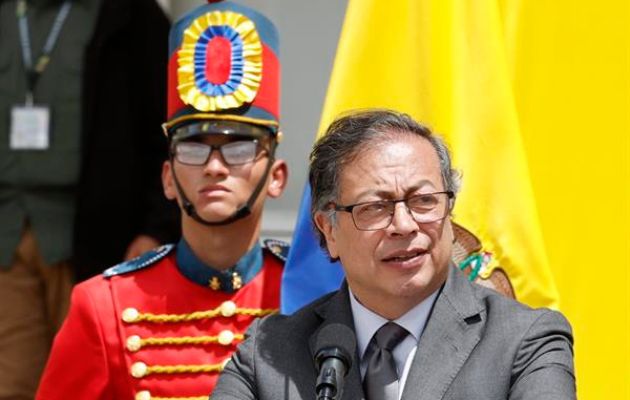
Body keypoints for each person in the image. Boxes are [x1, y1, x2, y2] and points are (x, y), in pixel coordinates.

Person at [213, 109, 576, 400]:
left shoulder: (524, 341)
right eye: (375, 207)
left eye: (424, 201)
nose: (404, 225)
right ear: (328, 229)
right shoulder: (267, 355)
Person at [35, 1, 288, 399]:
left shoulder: (317, 292)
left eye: (239, 148)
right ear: (168, 178)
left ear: (276, 176)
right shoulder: (104, 305)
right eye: (193, 149)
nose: (215, 167)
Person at [0, 0, 177, 398]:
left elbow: (165, 133)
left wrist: (155, 228)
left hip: (96, 246)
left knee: (88, 384)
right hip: (7, 237)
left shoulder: (129, 16)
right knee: (12, 385)